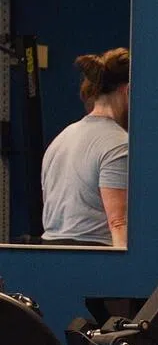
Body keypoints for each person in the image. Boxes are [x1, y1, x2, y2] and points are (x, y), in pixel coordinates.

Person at [40, 48, 129, 248]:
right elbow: (118, 223)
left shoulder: (61, 139)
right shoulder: (119, 144)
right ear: (128, 91)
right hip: (94, 254)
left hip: (50, 251)